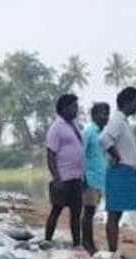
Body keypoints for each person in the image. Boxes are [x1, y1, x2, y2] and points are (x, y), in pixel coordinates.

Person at [100, 87, 136, 255]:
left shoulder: (123, 121)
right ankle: (113, 251)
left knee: (117, 213)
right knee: (114, 213)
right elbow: (104, 139)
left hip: (126, 171)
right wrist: (116, 156)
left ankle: (114, 250)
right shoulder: (117, 120)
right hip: (120, 172)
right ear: (128, 103)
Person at [44, 93, 86, 246]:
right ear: (63, 108)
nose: (76, 110)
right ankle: (47, 241)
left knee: (76, 213)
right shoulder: (56, 128)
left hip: (76, 177)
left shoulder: (74, 126)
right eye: (73, 106)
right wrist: (57, 178)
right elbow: (51, 154)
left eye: (76, 106)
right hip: (63, 178)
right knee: (56, 210)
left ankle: (77, 243)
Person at [80, 102, 111, 254]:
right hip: (90, 179)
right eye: (103, 114)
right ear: (94, 115)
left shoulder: (103, 133)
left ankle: (89, 242)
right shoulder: (89, 132)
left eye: (107, 114)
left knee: (92, 211)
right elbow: (81, 155)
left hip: (99, 179)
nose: (106, 117)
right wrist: (83, 178)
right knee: (88, 211)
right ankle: (87, 243)